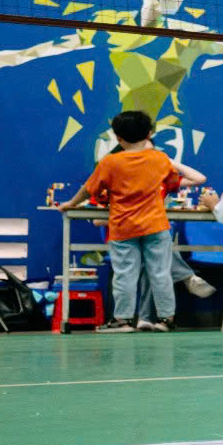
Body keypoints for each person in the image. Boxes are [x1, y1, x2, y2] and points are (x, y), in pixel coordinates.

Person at [67, 108, 205, 332]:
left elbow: (88, 189)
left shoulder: (110, 163)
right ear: (149, 134)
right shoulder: (160, 159)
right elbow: (176, 181)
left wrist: (70, 203)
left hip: (123, 227)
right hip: (156, 226)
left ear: (118, 137)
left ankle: (122, 321)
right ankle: (166, 319)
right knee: (160, 274)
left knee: (124, 276)